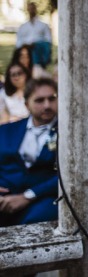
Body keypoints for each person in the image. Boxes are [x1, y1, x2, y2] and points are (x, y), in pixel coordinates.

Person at [0, 77, 58, 226]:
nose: (47, 105)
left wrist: (28, 196)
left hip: (43, 198)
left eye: (52, 99)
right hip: (5, 195)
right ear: (27, 104)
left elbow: (69, 175)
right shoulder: (7, 130)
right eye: (39, 100)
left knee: (31, 224)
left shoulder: (69, 133)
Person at [15, 2, 52, 72]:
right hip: (26, 49)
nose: (31, 10)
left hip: (39, 50)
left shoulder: (43, 25)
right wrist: (25, 45)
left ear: (36, 9)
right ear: (27, 9)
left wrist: (37, 44)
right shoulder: (23, 27)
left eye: (33, 8)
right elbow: (18, 41)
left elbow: (48, 40)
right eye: (30, 8)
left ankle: (38, 67)